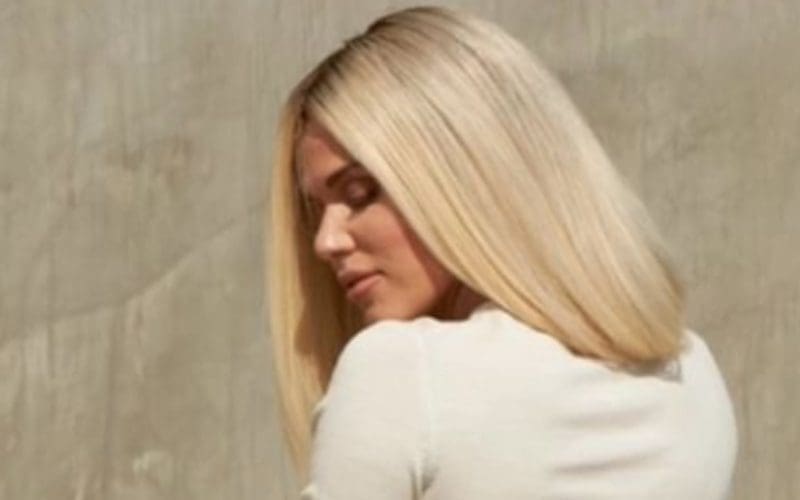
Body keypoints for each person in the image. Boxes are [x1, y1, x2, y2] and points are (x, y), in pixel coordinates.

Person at [267, 6, 737, 499]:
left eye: (360, 193)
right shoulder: (693, 372)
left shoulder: (400, 373)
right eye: (317, 211)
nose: (326, 241)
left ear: (469, 175)